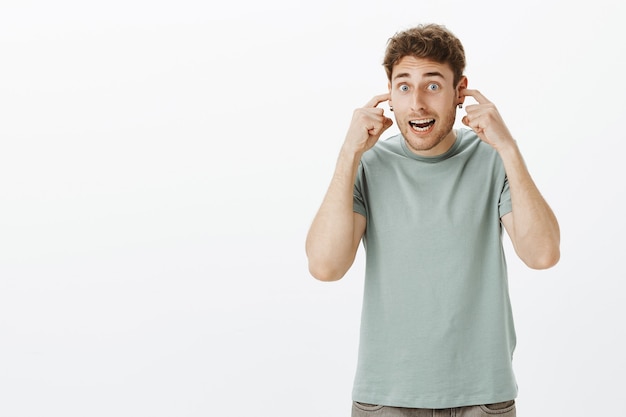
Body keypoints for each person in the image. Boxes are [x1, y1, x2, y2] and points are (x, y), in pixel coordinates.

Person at [305, 23, 560, 416]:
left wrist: (508, 147)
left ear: (460, 92)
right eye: (404, 86)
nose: (417, 103)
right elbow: (325, 266)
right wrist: (348, 153)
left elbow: (542, 254)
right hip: (386, 397)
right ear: (388, 94)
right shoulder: (367, 164)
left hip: (483, 397)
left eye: (433, 85)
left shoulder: (493, 159)